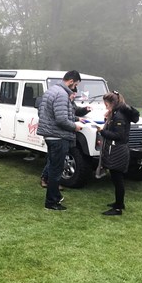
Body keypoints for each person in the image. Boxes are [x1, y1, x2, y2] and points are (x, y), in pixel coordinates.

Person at [37, 70, 83, 211]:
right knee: (56, 171)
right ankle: (51, 202)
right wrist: (75, 126)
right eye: (75, 85)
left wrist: (75, 118)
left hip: (50, 135)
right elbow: (61, 119)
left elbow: (46, 112)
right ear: (70, 81)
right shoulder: (62, 95)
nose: (74, 88)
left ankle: (55, 196)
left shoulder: (52, 91)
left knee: (52, 166)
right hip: (58, 137)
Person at [97, 92, 139, 215]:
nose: (105, 107)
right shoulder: (117, 114)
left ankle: (118, 208)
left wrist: (102, 131)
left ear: (112, 103)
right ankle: (119, 203)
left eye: (106, 104)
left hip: (118, 151)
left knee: (118, 179)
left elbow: (118, 135)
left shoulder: (119, 117)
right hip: (118, 150)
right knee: (116, 179)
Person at [40, 89, 90, 188]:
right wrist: (74, 126)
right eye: (73, 94)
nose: (74, 96)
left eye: (75, 94)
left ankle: (48, 180)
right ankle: (50, 183)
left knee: (54, 159)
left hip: (58, 135)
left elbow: (71, 114)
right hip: (56, 135)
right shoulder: (61, 101)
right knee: (55, 161)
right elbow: (62, 118)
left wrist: (81, 115)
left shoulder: (70, 103)